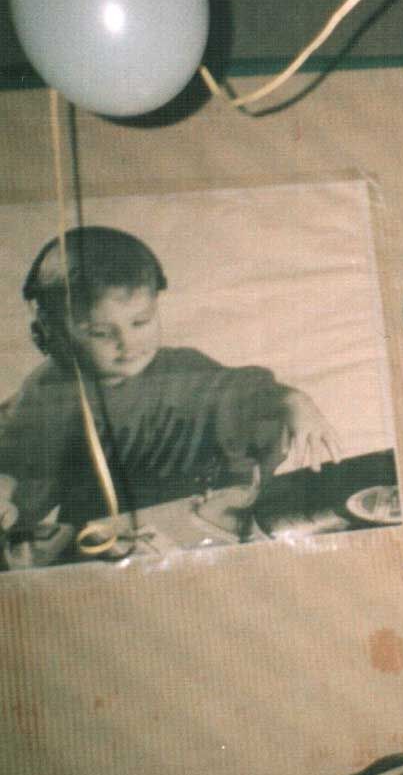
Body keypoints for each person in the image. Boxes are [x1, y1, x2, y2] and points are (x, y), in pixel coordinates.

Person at [0, 225, 340, 567]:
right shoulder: (48, 389)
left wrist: (293, 402)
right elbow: (17, 455)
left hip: (199, 522)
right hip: (105, 541)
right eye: (101, 333)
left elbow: (243, 395)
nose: (128, 343)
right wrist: (6, 490)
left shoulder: (182, 367)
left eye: (141, 322)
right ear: (52, 333)